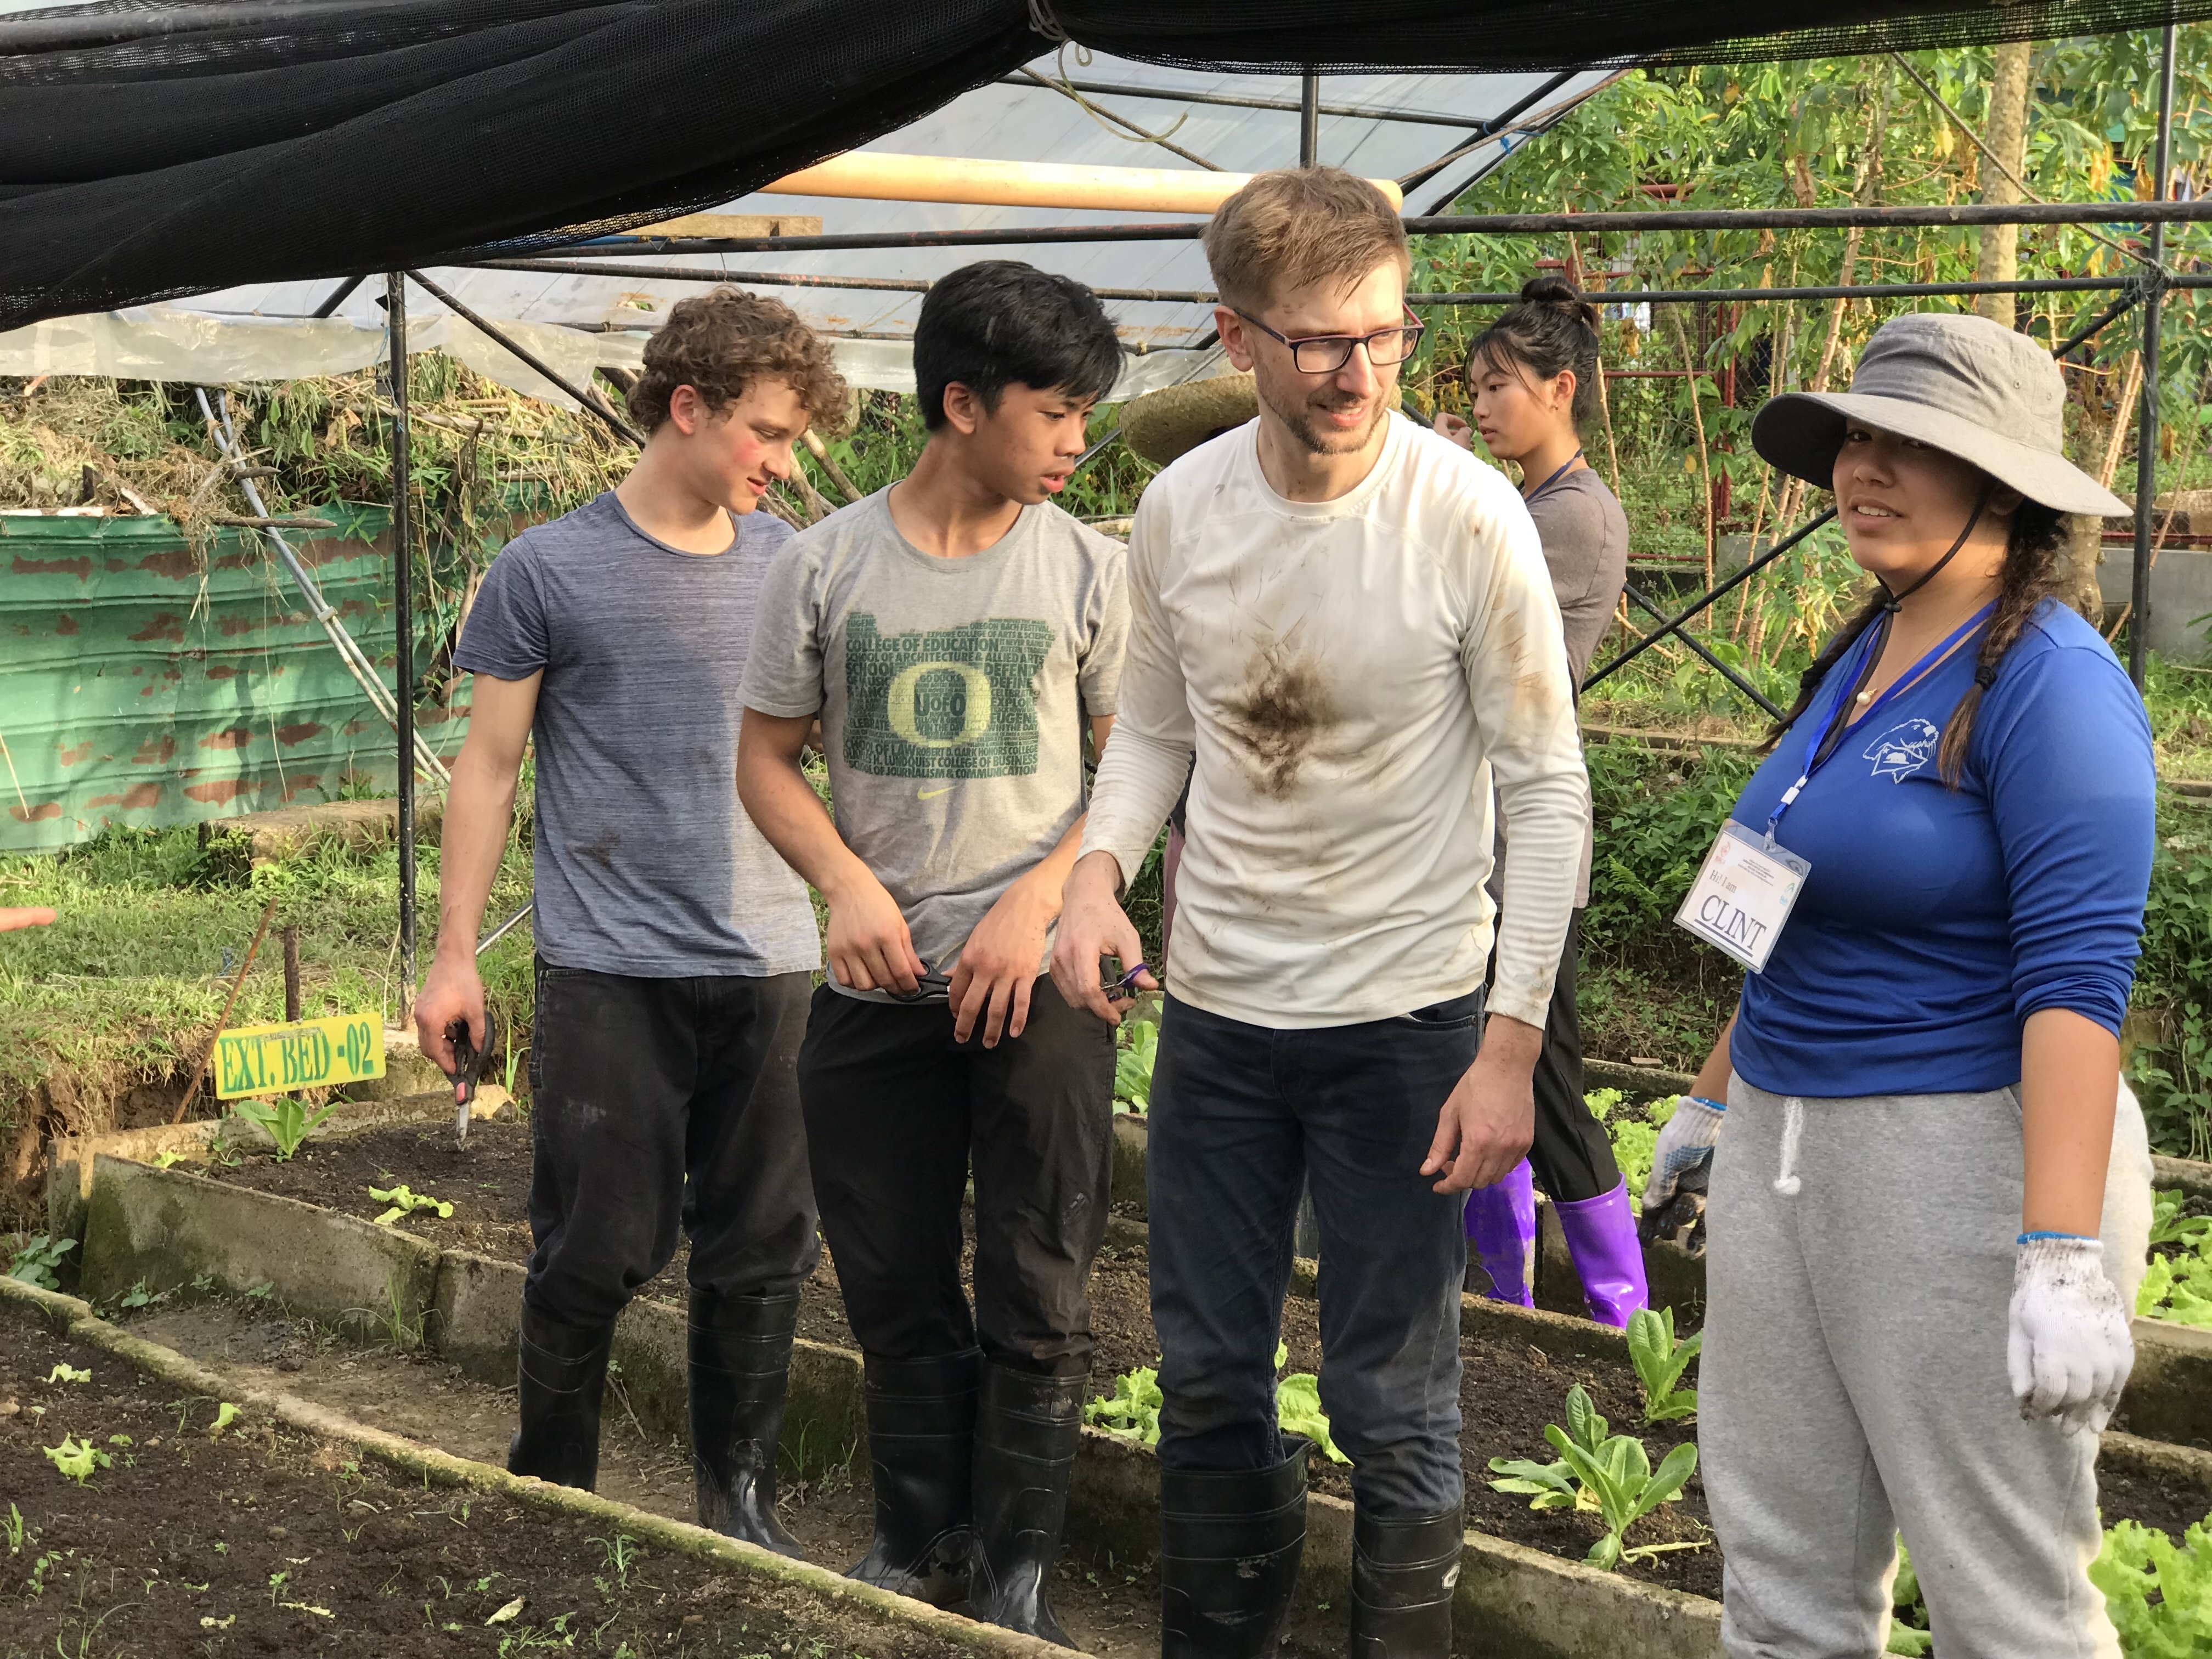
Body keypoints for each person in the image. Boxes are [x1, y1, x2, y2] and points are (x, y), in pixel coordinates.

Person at [1051, 167, 1590, 1658]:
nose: (1359, 374)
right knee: (1208, 1372)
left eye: (1385, 336)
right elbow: (1157, 733)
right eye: (1318, 342)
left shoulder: (1467, 517)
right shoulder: (1182, 511)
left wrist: (1509, 1045)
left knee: (1391, 1391)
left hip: (1405, 1023)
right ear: (1238, 338)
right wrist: (1096, 875)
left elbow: (1547, 789)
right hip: (1221, 1021)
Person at [1648, 311, 2154, 1658]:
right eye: (1856, 438)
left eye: (1911, 446)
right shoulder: (1864, 654)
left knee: (2004, 1589)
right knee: (1780, 1565)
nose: (1864, 469)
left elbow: (2078, 982)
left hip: (1958, 1160)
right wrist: (1711, 1103)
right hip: (1782, 1142)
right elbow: (1789, 913)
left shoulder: (2052, 684)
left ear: (2005, 485)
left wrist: (2059, 1251)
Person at [412, 287, 850, 1550]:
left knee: (763, 1248)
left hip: (772, 962)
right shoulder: (548, 569)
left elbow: (834, 755)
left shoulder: (792, 568)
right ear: (689, 408)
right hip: (610, 966)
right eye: (770, 434)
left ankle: (737, 1506)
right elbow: (489, 767)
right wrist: (454, 958)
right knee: (595, 1242)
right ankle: (552, 1483)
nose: (784, 464)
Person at [735, 259, 1127, 1644]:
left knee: (1037, 1282)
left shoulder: (1091, 570)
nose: (1077, 439)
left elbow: (1141, 771)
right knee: (891, 1275)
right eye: (1056, 410)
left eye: (1087, 414)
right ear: (964, 405)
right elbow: (766, 757)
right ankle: (919, 1540)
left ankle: (1018, 1571)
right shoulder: (824, 564)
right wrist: (842, 881)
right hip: (879, 985)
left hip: (1046, 988)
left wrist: (1042, 901)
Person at [1437, 278, 1640, 1325]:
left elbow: (1489, 651)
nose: (1481, 405)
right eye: (1475, 387)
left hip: (1531, 837)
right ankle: (1504, 1295)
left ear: (1562, 389)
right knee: (1495, 1060)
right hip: (1491, 834)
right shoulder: (1523, 504)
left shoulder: (1570, 517)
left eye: (1500, 386)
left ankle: (1621, 1313)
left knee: (1544, 1075)